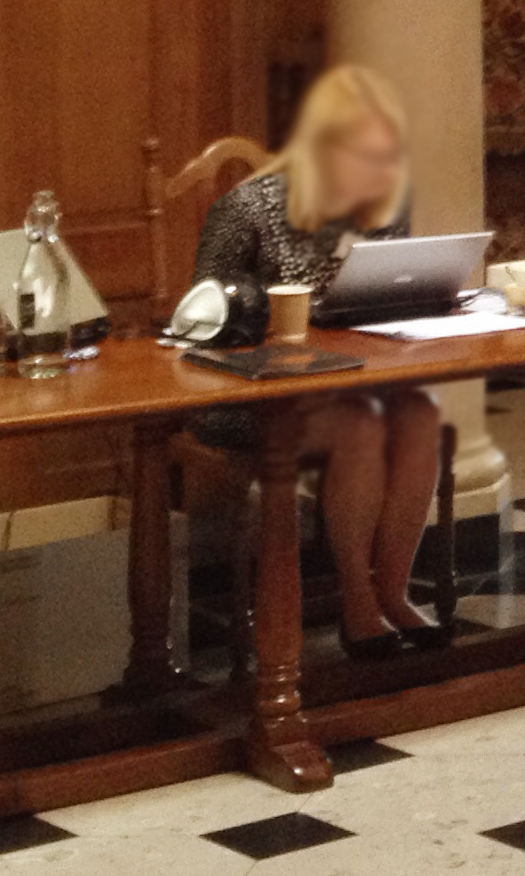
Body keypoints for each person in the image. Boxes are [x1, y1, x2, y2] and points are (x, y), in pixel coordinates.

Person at [193, 65, 450, 658]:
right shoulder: (248, 209)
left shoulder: (384, 199)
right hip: (251, 395)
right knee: (360, 424)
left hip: (350, 380)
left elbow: (389, 289)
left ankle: (393, 592)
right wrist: (270, 318)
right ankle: (357, 607)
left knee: (419, 415)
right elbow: (200, 318)